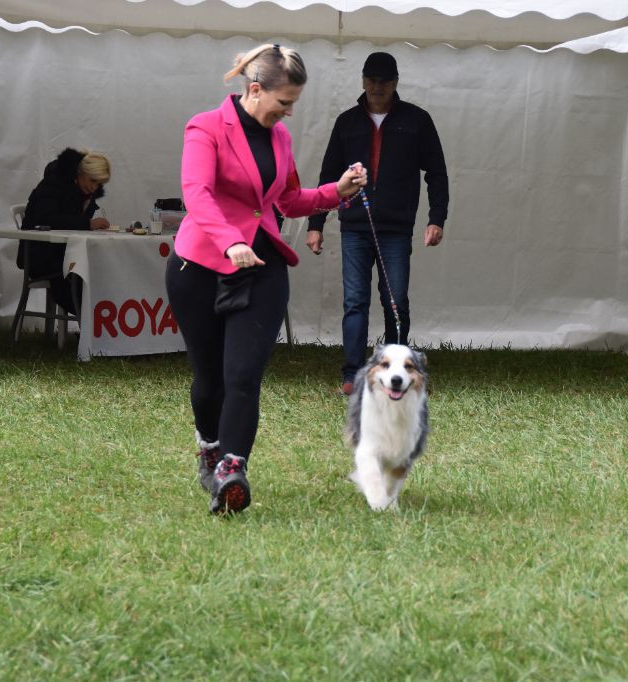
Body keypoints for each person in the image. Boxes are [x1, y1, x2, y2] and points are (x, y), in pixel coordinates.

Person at [165, 44, 367, 515]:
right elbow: (196, 194)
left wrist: (335, 192)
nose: (289, 113)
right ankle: (209, 447)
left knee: (243, 376)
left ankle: (232, 470)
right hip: (199, 267)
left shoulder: (279, 139)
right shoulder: (205, 127)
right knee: (210, 379)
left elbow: (289, 200)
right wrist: (229, 241)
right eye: (284, 103)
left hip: (262, 268)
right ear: (255, 90)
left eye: (293, 103)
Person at [306, 52, 449, 395]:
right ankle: (353, 375)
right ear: (363, 80)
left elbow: (437, 172)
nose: (377, 86)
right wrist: (316, 223)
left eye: (384, 80)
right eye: (371, 79)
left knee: (395, 301)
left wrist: (436, 218)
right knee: (355, 301)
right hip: (354, 225)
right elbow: (329, 176)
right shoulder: (347, 122)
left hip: (396, 229)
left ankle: (397, 373)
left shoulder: (416, 120)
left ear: (396, 82)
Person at [19, 147, 112, 313]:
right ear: (80, 172)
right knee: (87, 276)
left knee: (103, 270)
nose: (94, 188)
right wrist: (88, 224)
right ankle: (92, 329)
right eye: (92, 181)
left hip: (65, 255)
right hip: (41, 255)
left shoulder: (84, 194)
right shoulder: (53, 184)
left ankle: (93, 330)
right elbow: (45, 219)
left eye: (99, 184)